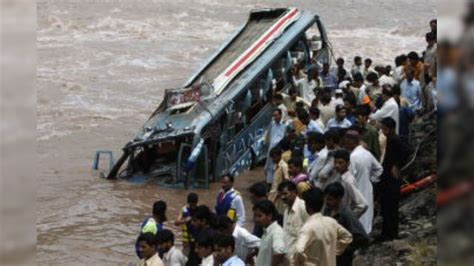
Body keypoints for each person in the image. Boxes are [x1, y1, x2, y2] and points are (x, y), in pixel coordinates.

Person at [294, 188, 352, 265]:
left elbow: (298, 250)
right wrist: (333, 252)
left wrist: (304, 263)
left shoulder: (308, 227)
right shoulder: (331, 222)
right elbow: (347, 237)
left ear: (307, 206)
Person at [343, 130, 383, 234]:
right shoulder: (367, 153)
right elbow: (379, 169)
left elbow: (350, 176)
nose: (346, 144)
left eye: (347, 141)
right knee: (367, 215)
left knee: (357, 214)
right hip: (367, 188)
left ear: (354, 141)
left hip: (356, 190)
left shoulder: (352, 157)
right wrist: (371, 180)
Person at [323, 183, 370, 266]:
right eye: (326, 199)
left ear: (339, 199)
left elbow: (362, 237)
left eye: (330, 199)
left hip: (342, 258)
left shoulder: (347, 215)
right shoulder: (327, 210)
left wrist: (345, 247)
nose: (327, 202)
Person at [378, 117, 409, 241]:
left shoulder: (394, 139)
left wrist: (397, 165)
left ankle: (391, 234)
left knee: (391, 206)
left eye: (384, 128)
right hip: (387, 177)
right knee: (386, 206)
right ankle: (387, 233)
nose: (382, 130)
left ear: (389, 128)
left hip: (392, 179)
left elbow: (407, 151)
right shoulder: (390, 139)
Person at [278, 181, 309, 265]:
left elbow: (310, 234)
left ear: (294, 192)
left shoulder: (303, 208)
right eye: (281, 195)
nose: (282, 197)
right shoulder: (286, 209)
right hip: (287, 259)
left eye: (285, 194)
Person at [332, 149, 368, 217]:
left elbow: (363, 205)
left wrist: (350, 218)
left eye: (340, 163)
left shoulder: (348, 181)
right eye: (335, 162)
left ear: (348, 163)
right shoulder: (339, 177)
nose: (337, 165)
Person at [253, 200, 287, 266]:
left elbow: (280, 254)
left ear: (269, 216)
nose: (256, 219)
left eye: (259, 216)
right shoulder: (267, 230)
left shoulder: (276, 232)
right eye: (255, 216)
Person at [265, 108, 288, 184]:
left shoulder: (286, 125)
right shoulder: (272, 124)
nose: (275, 117)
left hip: (279, 150)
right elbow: (269, 135)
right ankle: (269, 183)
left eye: (276, 115)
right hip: (271, 149)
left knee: (278, 167)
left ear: (280, 115)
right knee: (269, 166)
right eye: (274, 116)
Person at [267, 146, 290, 215]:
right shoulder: (276, 165)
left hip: (279, 194)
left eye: (274, 157)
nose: (273, 159)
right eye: (272, 157)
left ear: (280, 155)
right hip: (274, 192)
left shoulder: (284, 166)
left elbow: (287, 179)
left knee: (279, 212)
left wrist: (281, 192)